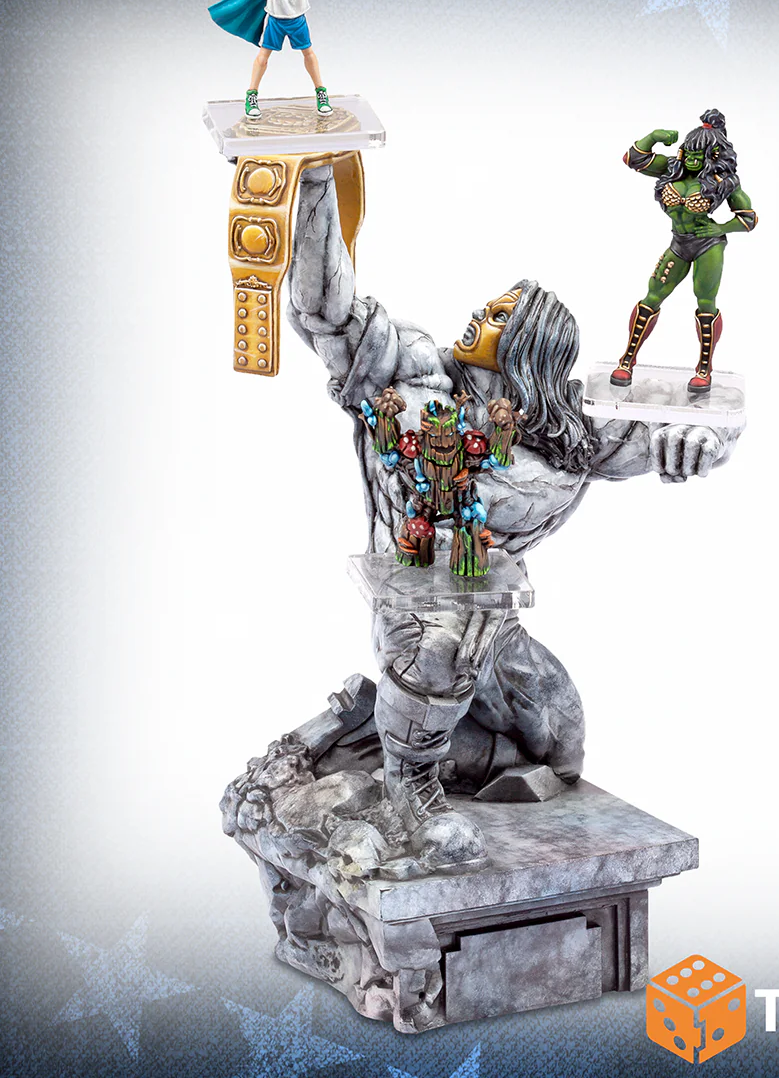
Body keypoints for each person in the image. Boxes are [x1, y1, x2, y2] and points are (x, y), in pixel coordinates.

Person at [284, 163, 743, 873]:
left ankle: (370, 725)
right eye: (489, 306)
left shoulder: (571, 433)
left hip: (494, 621)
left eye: (500, 315)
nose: (480, 314)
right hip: (417, 607)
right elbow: (327, 312)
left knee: (557, 746)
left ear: (530, 344)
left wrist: (702, 442)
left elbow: (694, 417)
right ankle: (410, 791)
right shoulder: (414, 374)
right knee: (442, 651)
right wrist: (315, 184)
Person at [612, 109, 758, 391]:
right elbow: (633, 159)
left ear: (711, 156)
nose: (690, 159)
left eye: (697, 155)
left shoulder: (725, 182)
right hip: (679, 243)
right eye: (688, 153)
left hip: (707, 246)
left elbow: (749, 218)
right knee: (653, 294)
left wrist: (720, 228)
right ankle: (627, 360)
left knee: (705, 301)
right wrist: (654, 136)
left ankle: (704, 368)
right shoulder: (672, 169)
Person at [207, 0, 332, 119]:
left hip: (297, 19)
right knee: (262, 58)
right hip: (275, 20)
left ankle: (321, 93)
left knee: (309, 54)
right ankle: (251, 95)